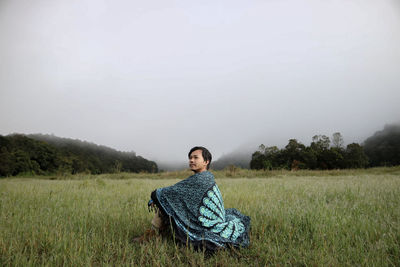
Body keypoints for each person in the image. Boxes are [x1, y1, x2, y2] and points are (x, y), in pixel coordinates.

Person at [135, 146, 250, 251]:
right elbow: (177, 192)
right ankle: (156, 233)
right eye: (190, 158)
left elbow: (170, 192)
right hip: (207, 216)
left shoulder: (201, 179)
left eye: (195, 157)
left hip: (207, 223)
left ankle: (152, 235)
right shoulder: (206, 177)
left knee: (165, 200)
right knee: (168, 201)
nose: (191, 160)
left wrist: (155, 198)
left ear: (206, 161)